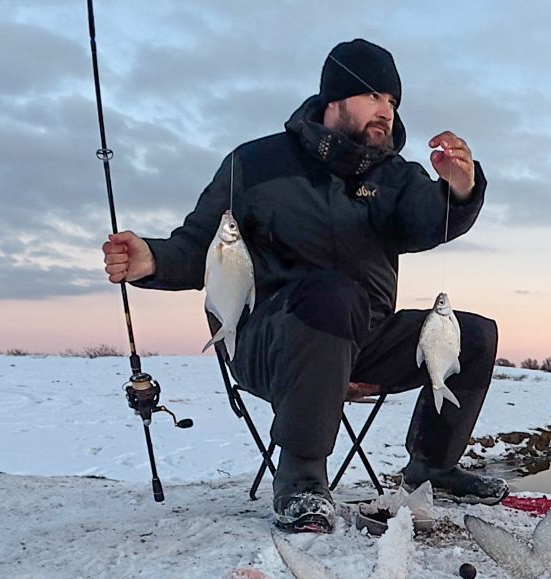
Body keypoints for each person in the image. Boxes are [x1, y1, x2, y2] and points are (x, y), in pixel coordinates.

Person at [101, 38, 505, 532]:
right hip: (274, 342)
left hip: (362, 340)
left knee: (475, 333)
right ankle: (302, 481)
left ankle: (432, 467)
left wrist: (457, 190)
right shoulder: (255, 164)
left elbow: (429, 217)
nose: (387, 112)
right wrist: (150, 259)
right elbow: (202, 248)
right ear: (334, 98)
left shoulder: (394, 177)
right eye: (375, 97)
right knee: (331, 293)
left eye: (393, 103)